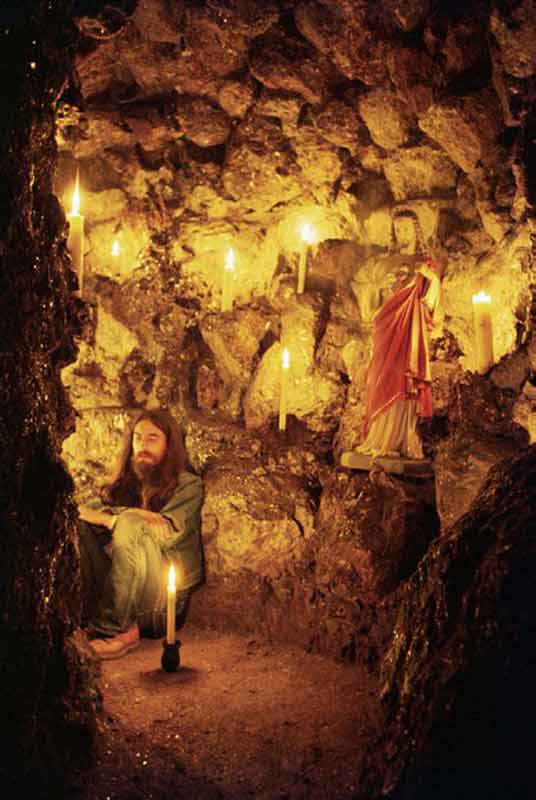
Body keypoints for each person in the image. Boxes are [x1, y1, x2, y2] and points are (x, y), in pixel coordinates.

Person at [78, 408, 204, 660]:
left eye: (152, 438)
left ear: (169, 446)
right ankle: (93, 617)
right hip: (120, 589)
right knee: (77, 524)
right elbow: (81, 510)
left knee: (129, 524)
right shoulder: (126, 483)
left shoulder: (188, 485)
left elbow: (167, 531)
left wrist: (125, 520)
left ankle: (114, 629)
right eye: (137, 437)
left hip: (162, 602)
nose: (142, 445)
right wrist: (116, 517)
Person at [357, 211, 442, 459]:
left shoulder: (425, 264)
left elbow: (432, 298)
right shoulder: (386, 261)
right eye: (397, 229)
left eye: (405, 228)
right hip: (386, 327)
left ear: (415, 230)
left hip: (410, 330)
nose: (401, 234)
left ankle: (401, 440)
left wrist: (428, 277)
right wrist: (380, 289)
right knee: (380, 376)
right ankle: (378, 437)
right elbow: (375, 299)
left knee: (403, 378)